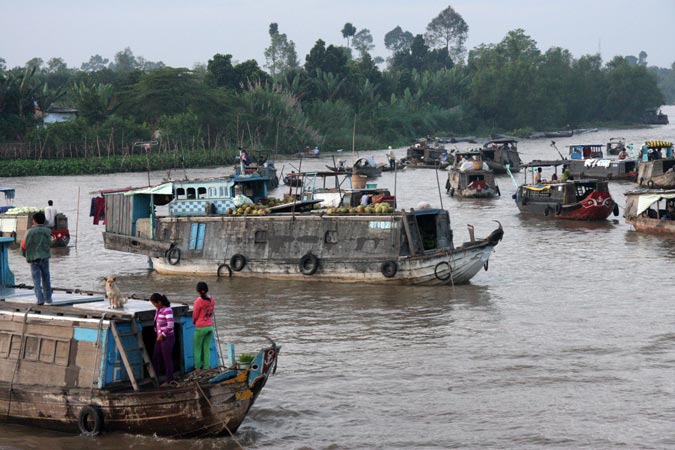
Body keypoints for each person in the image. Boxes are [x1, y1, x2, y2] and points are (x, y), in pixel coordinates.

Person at [22, 211, 52, 305]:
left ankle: (40, 300)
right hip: (45, 258)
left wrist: (25, 255)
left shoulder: (29, 232)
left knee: (36, 280)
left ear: (34, 221)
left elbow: (23, 246)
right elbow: (49, 244)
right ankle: (48, 299)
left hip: (34, 259)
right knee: (46, 279)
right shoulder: (48, 231)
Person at [150, 293, 175, 385]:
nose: (154, 305)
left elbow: (171, 325)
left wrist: (163, 334)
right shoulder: (158, 310)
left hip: (167, 338)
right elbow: (156, 320)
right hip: (159, 338)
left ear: (159, 302)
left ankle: (169, 380)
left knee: (167, 359)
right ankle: (155, 377)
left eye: (154, 303)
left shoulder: (167, 310)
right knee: (155, 357)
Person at [193, 281, 215, 371]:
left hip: (200, 327)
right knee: (206, 348)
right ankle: (206, 367)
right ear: (207, 290)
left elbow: (195, 315)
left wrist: (194, 322)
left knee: (197, 348)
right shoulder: (212, 299)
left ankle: (197, 368)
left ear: (197, 291)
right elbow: (212, 312)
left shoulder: (198, 301)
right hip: (210, 326)